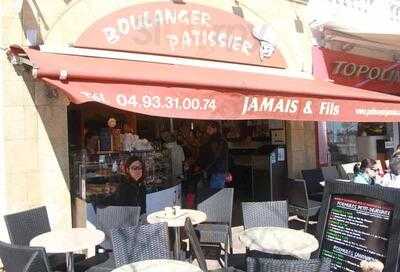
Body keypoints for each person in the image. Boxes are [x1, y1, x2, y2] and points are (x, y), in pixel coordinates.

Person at [197, 121, 228, 190]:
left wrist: (205, 167)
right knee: (218, 194)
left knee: (214, 193)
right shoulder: (221, 140)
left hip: (215, 171)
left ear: (215, 129)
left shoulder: (215, 141)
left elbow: (214, 156)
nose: (207, 131)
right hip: (220, 170)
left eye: (209, 129)